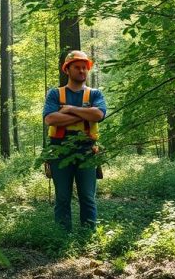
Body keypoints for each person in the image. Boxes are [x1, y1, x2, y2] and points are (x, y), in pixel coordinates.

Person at [43, 50, 107, 232]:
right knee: (62, 197)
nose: (82, 71)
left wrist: (69, 109)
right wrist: (84, 115)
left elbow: (99, 114)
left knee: (87, 196)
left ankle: (88, 235)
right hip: (59, 149)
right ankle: (62, 236)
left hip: (87, 150)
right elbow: (50, 119)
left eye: (84, 67)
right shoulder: (55, 94)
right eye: (77, 67)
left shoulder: (95, 94)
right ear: (67, 70)